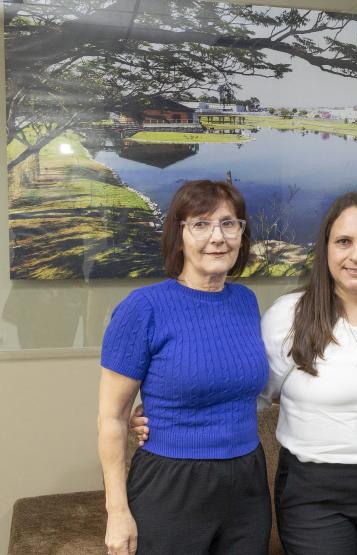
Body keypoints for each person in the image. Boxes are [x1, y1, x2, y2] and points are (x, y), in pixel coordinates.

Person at [132, 192, 357, 554]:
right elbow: (250, 391)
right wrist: (169, 415)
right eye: (343, 242)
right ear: (325, 249)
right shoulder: (289, 316)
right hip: (315, 492)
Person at [98, 179, 271, 555]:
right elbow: (112, 419)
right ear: (179, 235)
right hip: (171, 484)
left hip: (247, 483)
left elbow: (231, 384)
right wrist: (117, 511)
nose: (218, 237)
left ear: (242, 234)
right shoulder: (142, 309)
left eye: (229, 223)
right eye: (201, 224)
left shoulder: (246, 301)